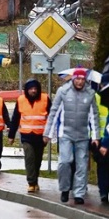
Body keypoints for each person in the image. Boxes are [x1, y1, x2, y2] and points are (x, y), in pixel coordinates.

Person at [43, 68, 99, 205]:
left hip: (83, 135)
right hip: (66, 133)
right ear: (73, 79)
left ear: (85, 80)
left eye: (82, 79)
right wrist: (47, 133)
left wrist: (96, 136)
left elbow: (94, 117)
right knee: (65, 161)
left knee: (81, 164)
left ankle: (79, 193)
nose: (80, 82)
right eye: (77, 79)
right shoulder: (63, 92)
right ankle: (65, 188)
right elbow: (54, 113)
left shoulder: (90, 94)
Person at [8, 79, 51, 193]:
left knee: (37, 160)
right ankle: (31, 183)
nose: (33, 91)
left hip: (41, 136)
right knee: (29, 158)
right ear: (26, 90)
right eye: (31, 89)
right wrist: (11, 135)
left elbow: (52, 117)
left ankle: (35, 180)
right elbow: (15, 118)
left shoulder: (45, 99)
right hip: (26, 135)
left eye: (35, 89)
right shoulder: (21, 100)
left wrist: (48, 134)